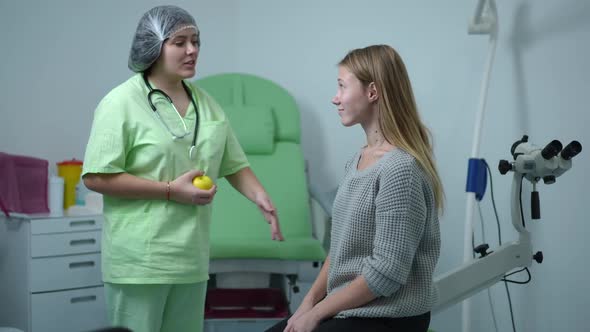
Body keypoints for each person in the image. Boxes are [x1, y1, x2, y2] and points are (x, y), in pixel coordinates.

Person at [82, 5, 284, 332]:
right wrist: (169, 191)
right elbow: (96, 176)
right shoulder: (120, 102)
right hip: (140, 261)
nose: (192, 50)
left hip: (190, 259)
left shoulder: (207, 103)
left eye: (196, 41)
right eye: (179, 42)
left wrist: (260, 196)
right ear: (153, 47)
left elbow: (234, 164)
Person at [266, 44, 443, 332]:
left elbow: (387, 272)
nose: (335, 99)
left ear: (372, 92)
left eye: (342, 87)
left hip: (388, 317)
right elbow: (338, 251)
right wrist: (305, 308)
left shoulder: (399, 169)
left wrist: (318, 313)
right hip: (351, 310)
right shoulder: (357, 161)